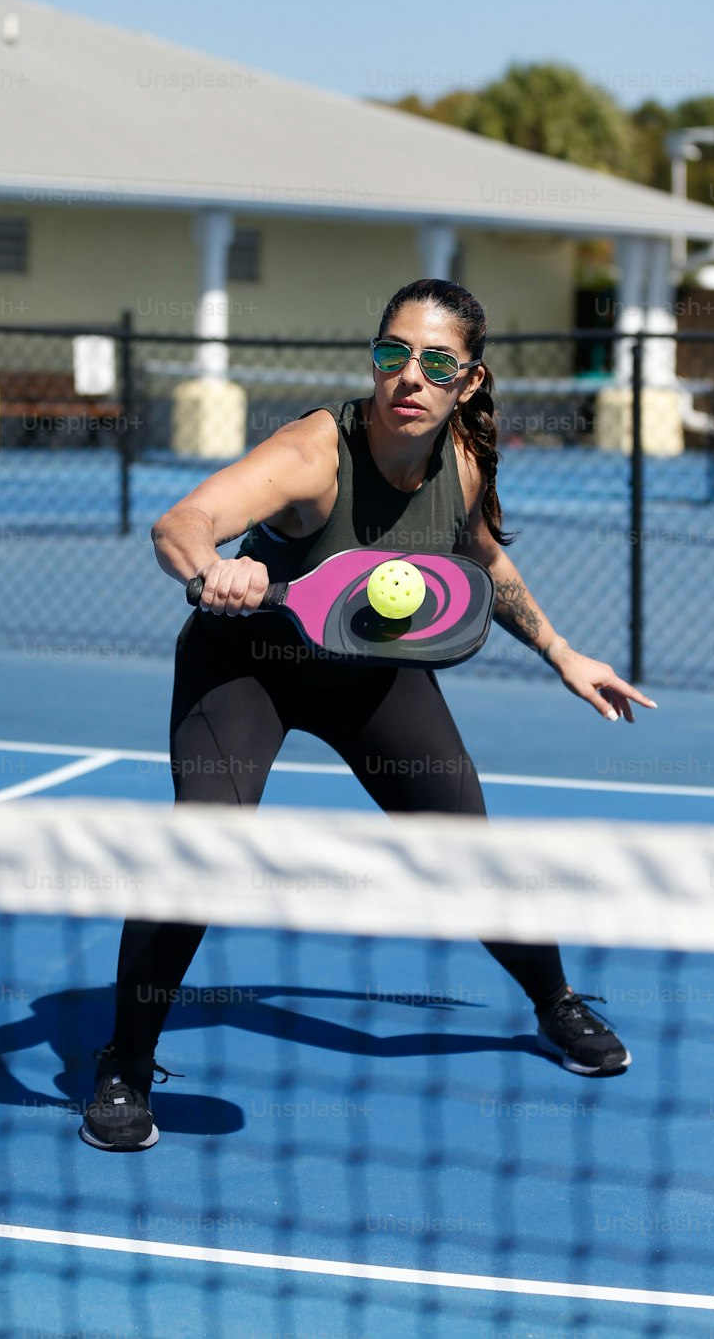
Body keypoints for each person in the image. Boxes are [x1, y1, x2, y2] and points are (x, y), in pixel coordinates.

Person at [80, 278, 657, 1152]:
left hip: (372, 669)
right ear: (374, 361)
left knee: (469, 849)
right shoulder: (316, 450)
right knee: (201, 847)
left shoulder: (460, 459)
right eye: (393, 354)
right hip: (248, 665)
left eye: (435, 363)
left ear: (467, 380)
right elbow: (182, 521)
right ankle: (124, 1062)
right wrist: (210, 573)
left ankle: (555, 1001)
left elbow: (483, 560)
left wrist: (563, 651)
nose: (409, 377)